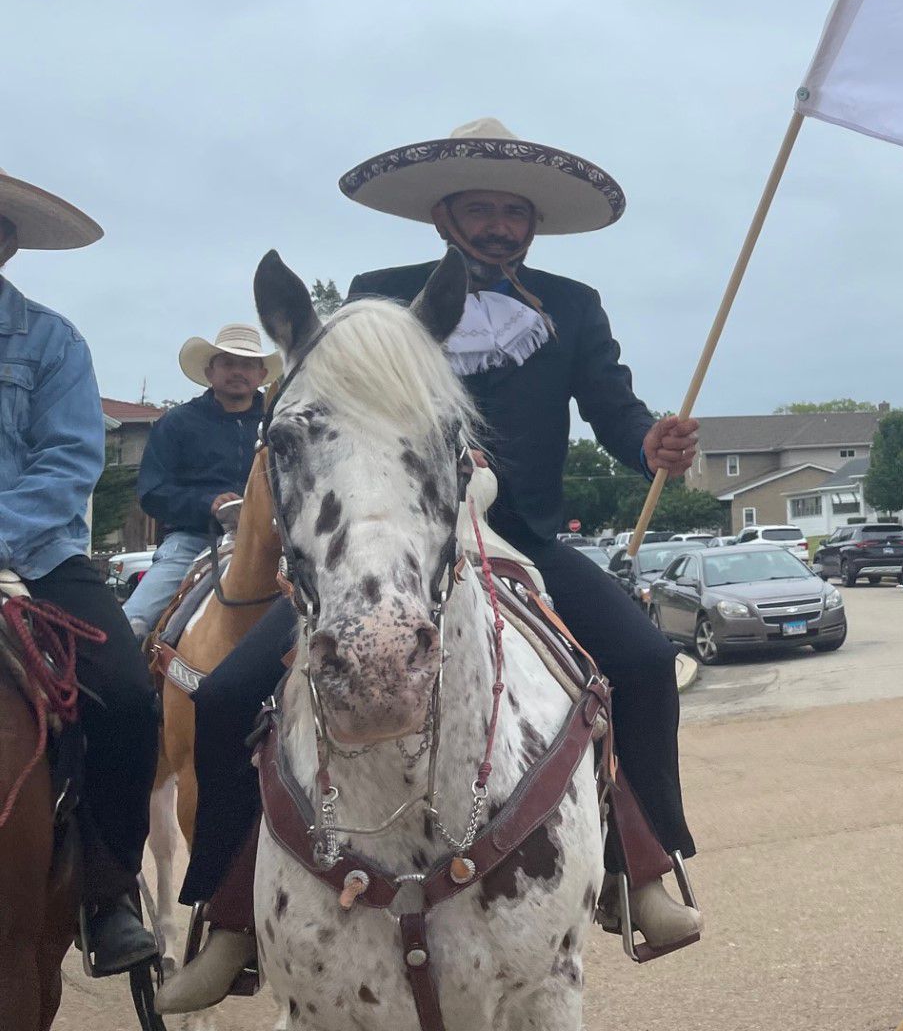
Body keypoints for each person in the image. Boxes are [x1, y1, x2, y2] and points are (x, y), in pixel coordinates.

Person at [163, 119, 703, 1012]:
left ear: (533, 225)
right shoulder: (379, 298)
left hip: (522, 535)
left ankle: (646, 869)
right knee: (223, 700)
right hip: (393, 539)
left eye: (514, 214)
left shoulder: (574, 304)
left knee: (644, 664)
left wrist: (650, 442)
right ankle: (224, 916)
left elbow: (613, 407)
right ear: (444, 214)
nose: (500, 227)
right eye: (482, 210)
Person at [0, 164, 160, 972]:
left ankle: (107, 892)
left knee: (130, 698)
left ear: (8, 243)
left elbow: (67, 462)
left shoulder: (53, 342)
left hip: (33, 553)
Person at [122, 323, 278, 636]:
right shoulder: (178, 422)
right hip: (192, 541)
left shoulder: (277, 421)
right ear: (210, 372)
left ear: (261, 374)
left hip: (270, 542)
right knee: (132, 623)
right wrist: (207, 503)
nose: (238, 371)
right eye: (228, 363)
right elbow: (153, 491)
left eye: (247, 364)